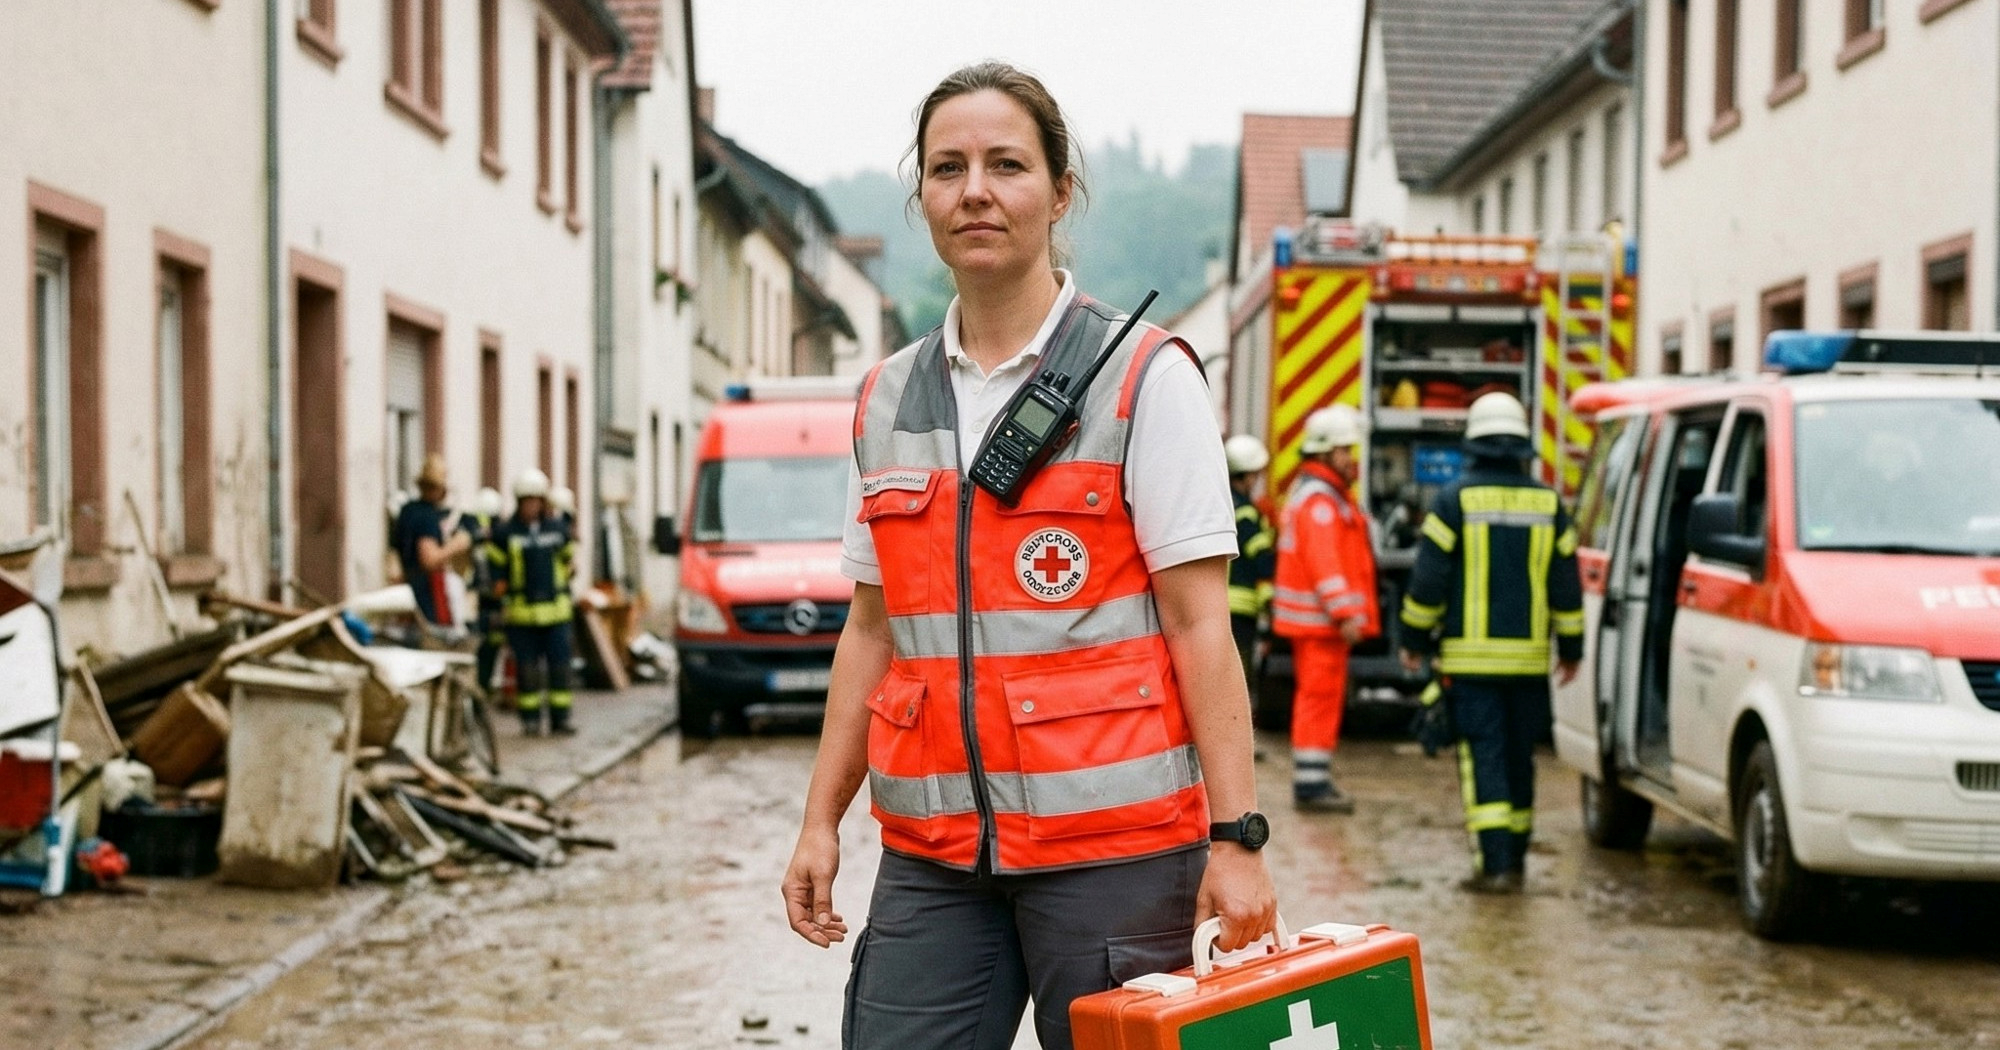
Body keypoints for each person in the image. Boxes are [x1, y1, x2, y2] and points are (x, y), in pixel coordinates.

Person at [780, 62, 1275, 1050]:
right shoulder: (884, 399)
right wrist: (820, 821)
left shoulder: (1144, 378)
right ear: (922, 197)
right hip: (934, 859)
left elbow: (1198, 627)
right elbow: (872, 631)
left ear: (1058, 194)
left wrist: (1236, 840)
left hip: (1117, 857)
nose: (974, 191)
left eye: (1006, 165)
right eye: (947, 168)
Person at [1398, 391, 1584, 894]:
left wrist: (1413, 638)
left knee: (1485, 760)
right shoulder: (1550, 503)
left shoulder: (1453, 500)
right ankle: (1516, 860)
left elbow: (1429, 581)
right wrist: (1571, 650)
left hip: (1471, 666)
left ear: (1474, 443)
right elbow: (1566, 588)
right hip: (1529, 666)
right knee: (1521, 758)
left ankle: (1494, 866)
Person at [1271, 405, 1378, 813]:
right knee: (1318, 699)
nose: (1352, 459)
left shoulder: (1321, 496)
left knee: (1320, 698)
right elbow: (1326, 566)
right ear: (1324, 452)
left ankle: (1315, 778)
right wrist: (1345, 613)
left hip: (1318, 625)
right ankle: (1312, 784)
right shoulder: (1320, 502)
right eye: (1345, 450)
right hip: (1320, 625)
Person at [491, 468, 578, 737]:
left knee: (560, 669)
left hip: (556, 613)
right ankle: (530, 720)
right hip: (522, 615)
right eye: (526, 501)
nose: (531, 506)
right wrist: (499, 592)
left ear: (543, 502)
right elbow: (497, 574)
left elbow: (570, 563)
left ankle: (560, 719)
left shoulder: (557, 529)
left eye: (536, 501)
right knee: (527, 671)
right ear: (519, 502)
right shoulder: (505, 533)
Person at [391, 453, 473, 638]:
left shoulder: (407, 511)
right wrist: (456, 545)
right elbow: (429, 559)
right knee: (435, 639)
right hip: (426, 591)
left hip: (406, 589)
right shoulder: (427, 517)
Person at [1224, 435, 1276, 694]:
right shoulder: (1245, 512)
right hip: (1241, 606)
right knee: (1240, 674)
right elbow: (1263, 560)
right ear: (1245, 476)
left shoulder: (1225, 505)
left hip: (1224, 603)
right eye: (1255, 475)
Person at [467, 486, 510, 695]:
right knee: (488, 648)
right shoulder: (496, 535)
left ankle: (483, 687)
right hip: (491, 600)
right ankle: (484, 687)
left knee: (485, 647)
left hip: (484, 599)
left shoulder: (475, 532)